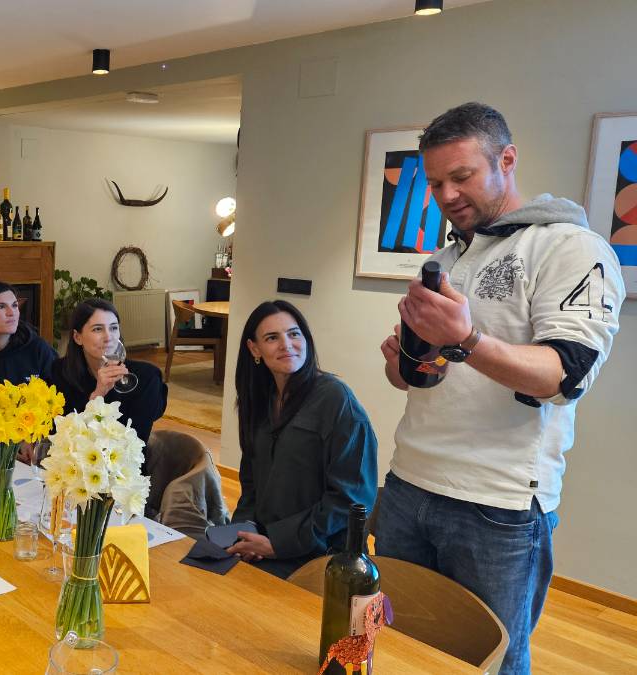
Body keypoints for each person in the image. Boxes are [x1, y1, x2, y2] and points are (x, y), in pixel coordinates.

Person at [376, 102, 624, 674]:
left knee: (491, 662)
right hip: (409, 481)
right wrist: (406, 364)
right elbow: (417, 381)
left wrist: (465, 340)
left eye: (461, 176)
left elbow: (565, 374)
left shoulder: (570, 248)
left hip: (498, 503)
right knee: (397, 645)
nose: (446, 194)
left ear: (506, 160)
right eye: (435, 182)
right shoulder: (443, 259)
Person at [226, 300, 377, 579]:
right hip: (261, 546)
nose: (286, 345)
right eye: (272, 338)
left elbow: (351, 499)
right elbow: (251, 482)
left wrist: (277, 543)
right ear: (254, 349)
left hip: (319, 557)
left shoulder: (336, 400)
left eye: (294, 334)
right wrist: (243, 533)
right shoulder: (258, 399)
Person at [49, 298, 167, 466]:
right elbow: (62, 438)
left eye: (113, 328)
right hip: (72, 467)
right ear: (77, 337)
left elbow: (135, 442)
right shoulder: (60, 373)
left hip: (124, 473)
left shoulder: (146, 378)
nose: (108, 337)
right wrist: (98, 395)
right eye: (98, 329)